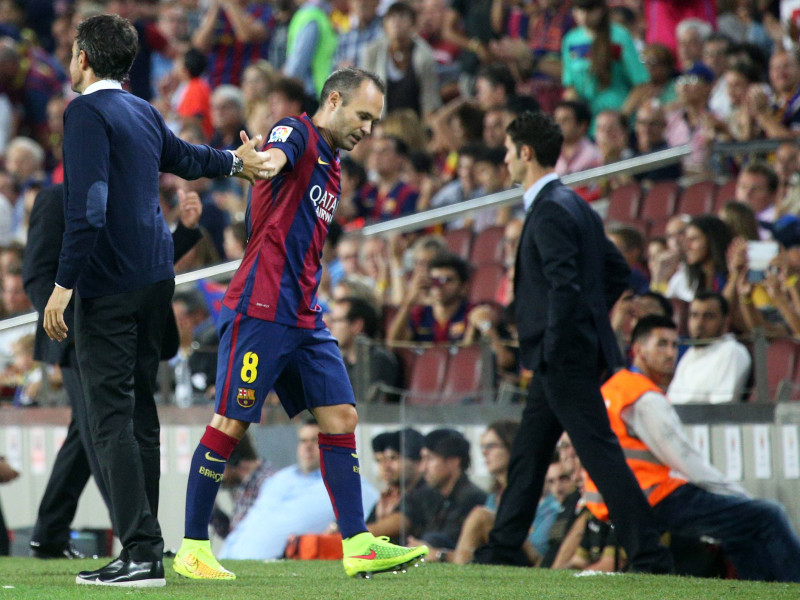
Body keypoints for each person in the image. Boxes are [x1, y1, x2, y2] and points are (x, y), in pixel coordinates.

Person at [172, 67, 429, 581]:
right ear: (334, 100)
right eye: (363, 117)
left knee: (341, 418)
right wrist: (257, 161)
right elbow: (273, 157)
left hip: (305, 316)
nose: (369, 130)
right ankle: (194, 548)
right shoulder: (297, 131)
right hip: (261, 309)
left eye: (375, 122)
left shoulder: (333, 164)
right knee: (231, 422)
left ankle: (357, 543)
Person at [41, 15, 270, 588]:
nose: (70, 62)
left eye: (72, 52)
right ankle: (148, 547)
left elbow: (90, 207)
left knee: (109, 419)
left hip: (110, 285)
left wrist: (63, 285)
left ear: (86, 58)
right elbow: (189, 158)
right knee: (141, 416)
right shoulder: (140, 110)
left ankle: (140, 552)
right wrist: (238, 163)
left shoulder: (86, 112)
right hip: (154, 279)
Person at [473, 110, 673, 574]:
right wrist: (583, 326)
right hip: (561, 356)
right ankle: (503, 548)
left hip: (562, 357)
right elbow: (617, 272)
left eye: (507, 151)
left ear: (525, 153)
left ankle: (649, 554)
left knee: (599, 455)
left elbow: (565, 286)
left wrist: (561, 340)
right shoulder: (573, 204)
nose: (504, 159)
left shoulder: (550, 210)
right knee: (529, 453)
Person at [24, 183, 210, 558]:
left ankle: (49, 534)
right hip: (81, 338)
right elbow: (38, 274)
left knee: (88, 434)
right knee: (105, 431)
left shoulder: (132, 192)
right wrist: (78, 326)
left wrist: (186, 232)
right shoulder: (57, 198)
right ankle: (137, 538)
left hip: (129, 332)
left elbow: (144, 265)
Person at [586, 315, 800, 582]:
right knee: (768, 514)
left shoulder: (610, 390)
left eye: (675, 345)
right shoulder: (643, 397)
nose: (670, 353)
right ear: (638, 350)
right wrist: (737, 494)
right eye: (661, 344)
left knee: (738, 529)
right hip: (656, 498)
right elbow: (686, 460)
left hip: (617, 502)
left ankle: (759, 591)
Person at [218, 420, 378, 559]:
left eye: (315, 441)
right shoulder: (278, 479)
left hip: (276, 565)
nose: (307, 447)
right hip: (228, 558)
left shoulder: (350, 485)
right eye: (303, 441)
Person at [402, 429, 488, 550]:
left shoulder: (473, 499)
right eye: (423, 459)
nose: (423, 468)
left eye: (430, 459)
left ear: (453, 462)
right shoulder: (430, 496)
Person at [668, 292, 751, 404]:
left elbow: (721, 407)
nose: (699, 323)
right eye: (694, 315)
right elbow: (672, 398)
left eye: (708, 316)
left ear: (725, 321)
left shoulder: (732, 352)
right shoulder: (691, 352)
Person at [210, 433, 274, 539]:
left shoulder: (267, 484)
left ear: (232, 458)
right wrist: (214, 510)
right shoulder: (243, 486)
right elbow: (234, 537)